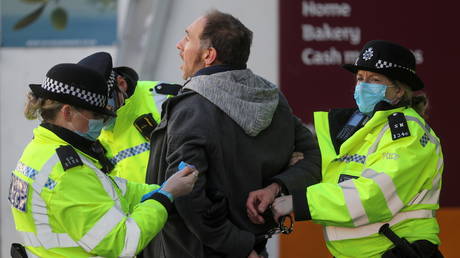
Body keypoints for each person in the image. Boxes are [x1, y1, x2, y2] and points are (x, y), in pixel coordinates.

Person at [144, 9, 320, 258]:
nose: (179, 45)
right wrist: (276, 188)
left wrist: (238, 245)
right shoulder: (272, 98)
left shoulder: (191, 107)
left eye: (188, 37)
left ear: (208, 55)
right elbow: (313, 158)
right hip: (255, 248)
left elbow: (186, 192)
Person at [271, 40, 444, 257]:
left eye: (375, 80)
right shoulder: (362, 125)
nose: (363, 85)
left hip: (398, 251)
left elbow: (372, 195)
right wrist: (299, 170)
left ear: (398, 91)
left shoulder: (408, 133)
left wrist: (299, 201)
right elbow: (342, 179)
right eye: (360, 78)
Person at [8, 63, 198, 257]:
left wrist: (165, 188)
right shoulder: (66, 172)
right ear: (67, 112)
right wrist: (164, 197)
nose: (102, 123)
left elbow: (113, 190)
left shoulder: (40, 150)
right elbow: (121, 241)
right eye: (96, 115)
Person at [77, 52, 182, 183]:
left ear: (121, 84)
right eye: (91, 110)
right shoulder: (88, 130)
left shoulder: (163, 99)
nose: (96, 117)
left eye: (102, 107)